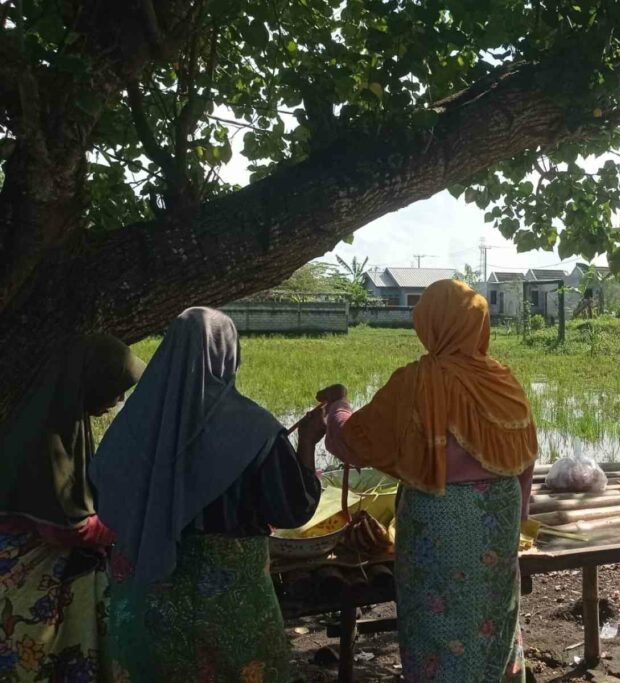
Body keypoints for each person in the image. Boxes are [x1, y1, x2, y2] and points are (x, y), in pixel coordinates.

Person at [89, 307, 324, 682]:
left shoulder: (131, 426)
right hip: (229, 606)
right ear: (227, 352)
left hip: (145, 600)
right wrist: (308, 444)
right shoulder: (255, 429)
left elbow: (104, 496)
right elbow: (292, 510)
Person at [320, 278, 537, 682]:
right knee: (492, 619)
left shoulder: (417, 382)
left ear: (431, 324)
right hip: (498, 518)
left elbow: (353, 442)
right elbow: (526, 456)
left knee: (438, 626)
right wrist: (518, 516)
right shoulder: (503, 381)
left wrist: (337, 408)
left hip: (437, 523)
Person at [0, 334, 145, 682]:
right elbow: (69, 528)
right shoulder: (52, 435)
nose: (119, 399)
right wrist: (134, 520)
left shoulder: (47, 416)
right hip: (32, 574)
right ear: (91, 382)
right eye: (114, 388)